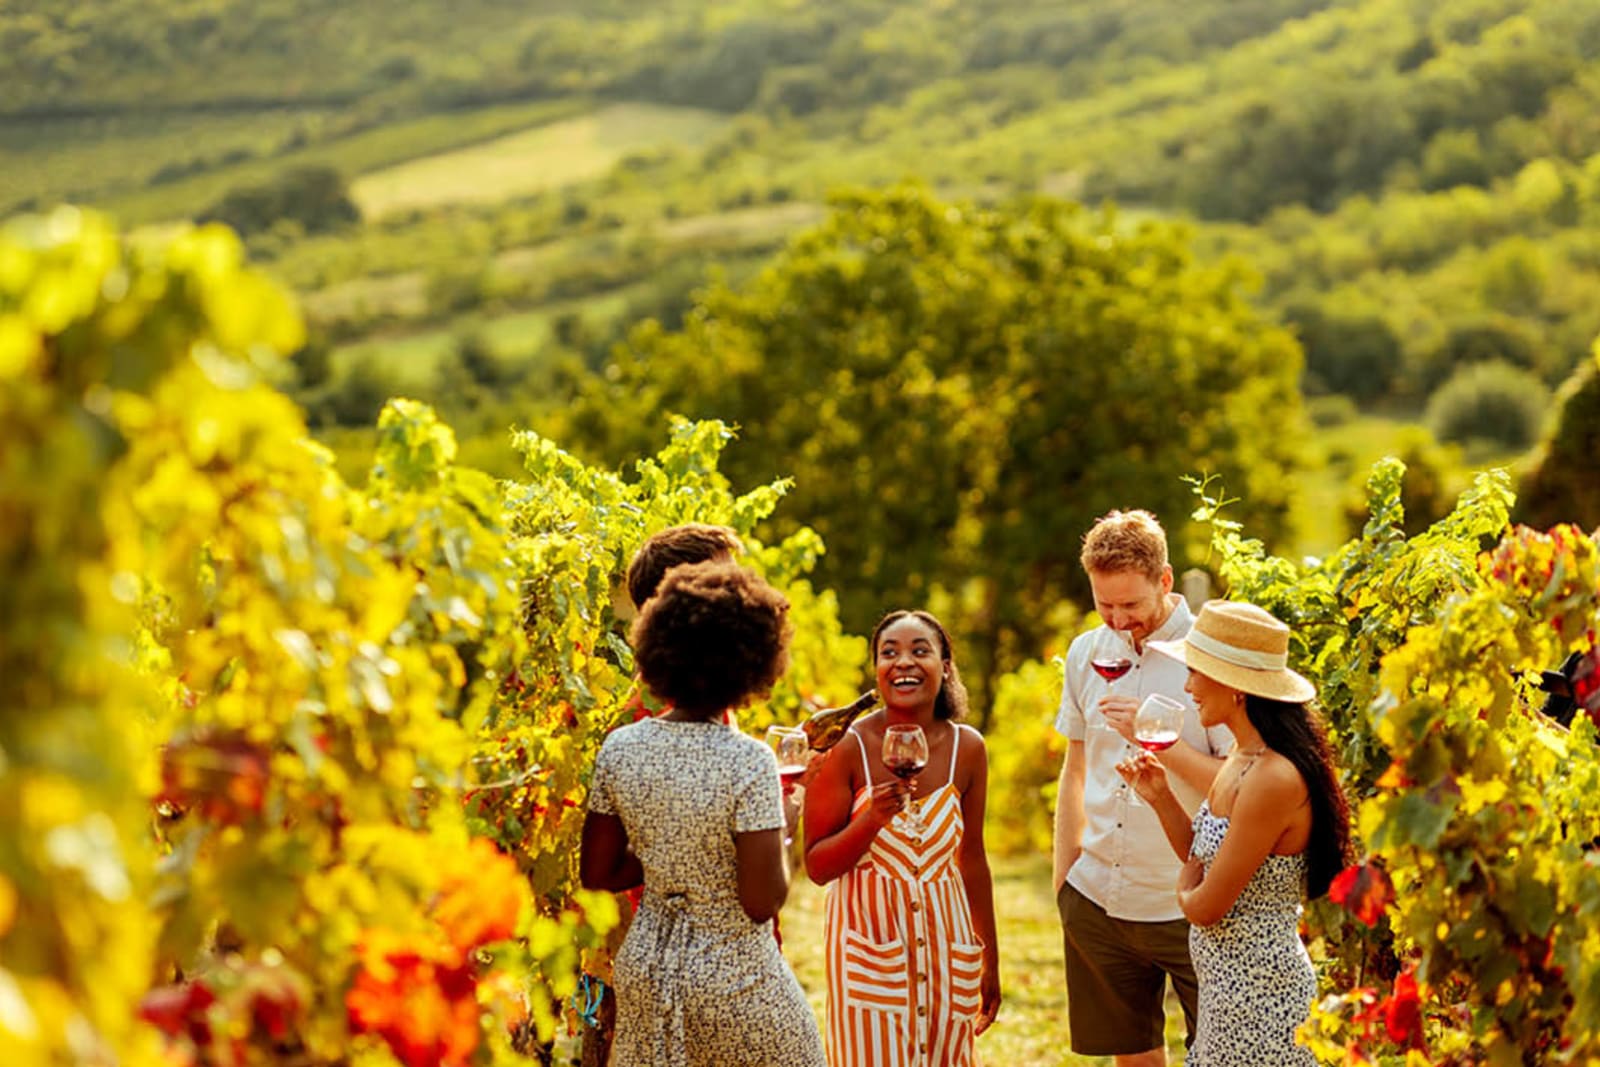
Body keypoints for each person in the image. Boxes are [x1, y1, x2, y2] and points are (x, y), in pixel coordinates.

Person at [579, 560, 825, 1067]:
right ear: (755, 662)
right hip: (734, 978)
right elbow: (762, 901)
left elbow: (597, 873)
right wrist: (787, 823)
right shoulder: (750, 760)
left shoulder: (620, 748)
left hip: (646, 970)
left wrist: (673, 851)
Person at [1117, 599, 1352, 1066]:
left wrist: (1184, 886)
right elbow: (1204, 853)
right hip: (1228, 993)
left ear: (1235, 685)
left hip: (1264, 998)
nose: (1188, 687)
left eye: (1196, 673)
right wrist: (1162, 796)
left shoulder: (1273, 778)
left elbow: (1205, 904)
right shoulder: (1242, 761)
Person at [1052, 509, 1233, 1065]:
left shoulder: (1212, 658)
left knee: (1221, 1054)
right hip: (1099, 898)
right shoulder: (1087, 652)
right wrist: (1064, 879)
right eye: (1103, 604)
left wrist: (1156, 740)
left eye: (1130, 605)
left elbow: (1238, 785)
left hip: (1193, 901)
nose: (1116, 620)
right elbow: (1076, 768)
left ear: (1166, 581)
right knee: (1132, 1060)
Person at [804, 610, 1001, 1066]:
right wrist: (871, 819)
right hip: (869, 952)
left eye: (920, 650)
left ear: (945, 665)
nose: (903, 662)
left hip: (948, 951)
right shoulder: (846, 747)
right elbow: (817, 867)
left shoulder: (967, 749)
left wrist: (989, 957)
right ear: (876, 670)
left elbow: (972, 859)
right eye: (889, 653)